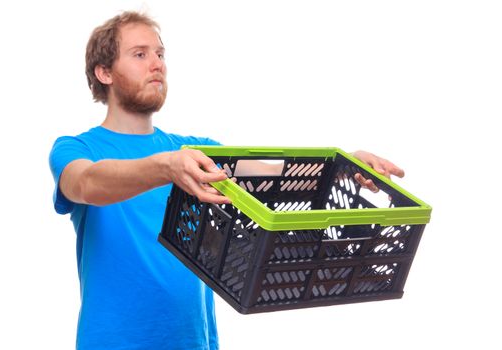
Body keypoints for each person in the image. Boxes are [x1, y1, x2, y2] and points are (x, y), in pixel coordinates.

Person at [49, 11, 405, 350]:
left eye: (160, 53)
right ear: (104, 72)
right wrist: (165, 168)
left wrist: (342, 166)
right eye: (140, 54)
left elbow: (277, 174)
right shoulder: (78, 149)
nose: (157, 64)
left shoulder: (195, 152)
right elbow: (85, 183)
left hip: (194, 341)